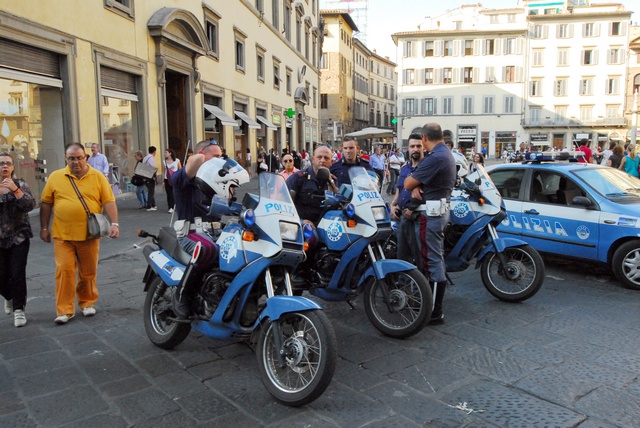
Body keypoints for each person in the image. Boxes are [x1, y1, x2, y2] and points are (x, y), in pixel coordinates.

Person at [40, 143, 119, 324]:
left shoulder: (98, 177)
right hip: (63, 234)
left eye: (79, 158)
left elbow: (109, 201)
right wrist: (44, 227)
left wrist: (114, 223)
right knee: (64, 270)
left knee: (88, 272)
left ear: (86, 157)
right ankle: (64, 310)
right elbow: (46, 203)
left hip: (89, 234)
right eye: (71, 158)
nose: (75, 162)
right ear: (66, 159)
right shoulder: (55, 177)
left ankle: (87, 302)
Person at [171, 140, 249, 318]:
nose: (220, 160)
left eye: (221, 157)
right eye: (216, 156)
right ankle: (181, 295)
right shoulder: (185, 179)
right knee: (208, 249)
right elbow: (195, 161)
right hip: (191, 233)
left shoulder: (217, 183)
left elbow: (233, 202)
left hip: (216, 231)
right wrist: (208, 155)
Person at [404, 123, 456, 325]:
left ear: (424, 138)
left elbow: (409, 183)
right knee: (436, 259)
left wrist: (415, 182)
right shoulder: (446, 154)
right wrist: (419, 183)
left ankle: (434, 312)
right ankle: (433, 307)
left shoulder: (436, 157)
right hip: (440, 211)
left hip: (431, 215)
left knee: (431, 261)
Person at [0, 152, 36, 327]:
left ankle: (19, 310)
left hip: (18, 237)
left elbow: (29, 205)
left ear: (13, 167)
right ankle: (9, 296)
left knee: (17, 273)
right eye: (1, 164)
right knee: (1, 275)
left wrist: (15, 189)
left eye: (8, 163)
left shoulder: (20, 184)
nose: (4, 166)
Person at [389, 135, 423, 267]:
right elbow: (399, 189)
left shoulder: (425, 168)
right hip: (402, 216)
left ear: (423, 148)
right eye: (412, 146)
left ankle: (420, 285)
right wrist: (393, 205)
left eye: (418, 146)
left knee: (418, 254)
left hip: (416, 217)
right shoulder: (405, 168)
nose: (415, 149)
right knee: (402, 254)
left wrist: (413, 208)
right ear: (408, 148)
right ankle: (404, 283)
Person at [286, 145, 338, 226]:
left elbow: (340, 202)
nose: (322, 160)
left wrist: (331, 183)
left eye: (326, 158)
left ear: (331, 162)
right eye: (319, 157)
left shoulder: (333, 181)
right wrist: (301, 221)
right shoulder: (298, 178)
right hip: (302, 228)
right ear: (313, 159)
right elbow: (283, 203)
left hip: (327, 227)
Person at [163, 149, 181, 214]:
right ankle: (170, 207)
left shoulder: (177, 160)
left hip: (175, 178)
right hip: (167, 179)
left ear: (170, 153)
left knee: (175, 192)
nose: (165, 154)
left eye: (166, 152)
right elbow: (164, 171)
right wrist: (163, 181)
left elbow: (180, 169)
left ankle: (176, 205)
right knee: (169, 193)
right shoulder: (164, 161)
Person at [144, 146, 158, 211]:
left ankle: (153, 204)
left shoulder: (145, 157)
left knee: (150, 190)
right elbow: (153, 167)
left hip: (145, 175)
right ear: (154, 152)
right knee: (151, 191)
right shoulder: (151, 158)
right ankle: (149, 206)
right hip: (150, 176)